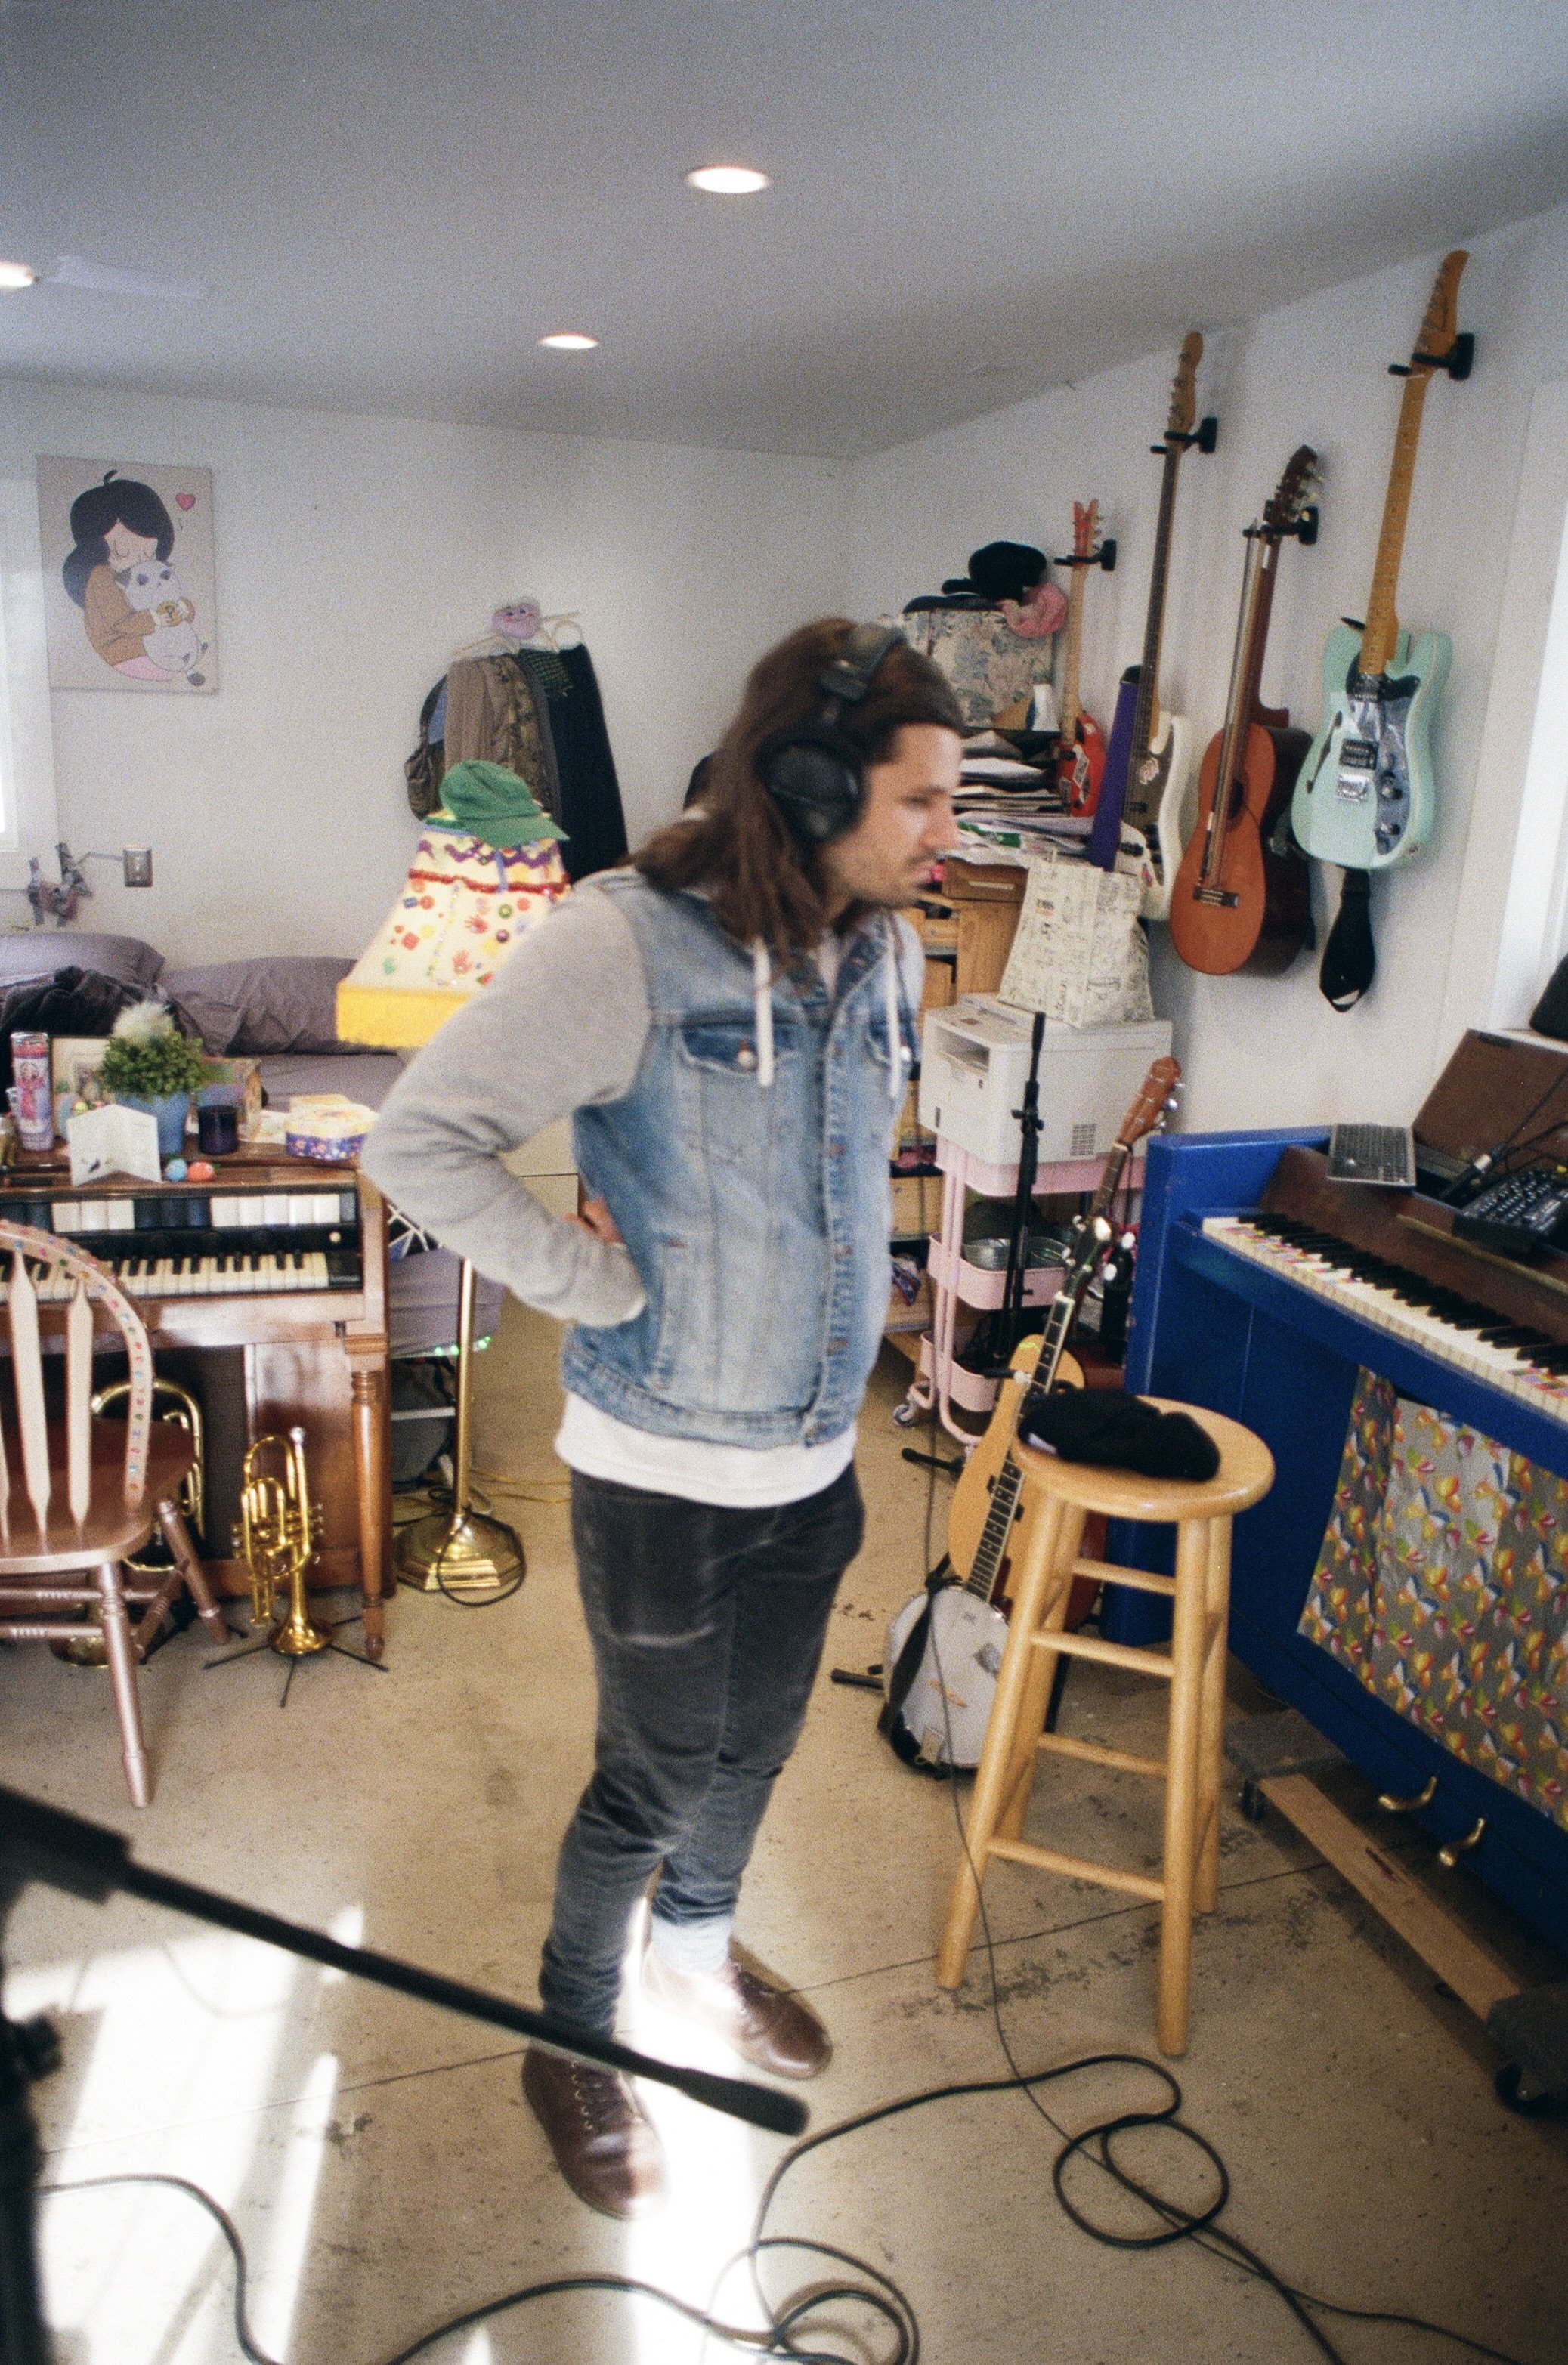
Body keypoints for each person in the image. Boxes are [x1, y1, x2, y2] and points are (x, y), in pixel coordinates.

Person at [361, 618, 963, 2218]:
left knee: (757, 1748)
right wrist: (589, 1281)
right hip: (658, 1466)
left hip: (817, 1457)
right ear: (815, 782)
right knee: (654, 1768)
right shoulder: (621, 939)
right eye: (921, 800)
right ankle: (570, 2033)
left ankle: (694, 1952)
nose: (946, 834)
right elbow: (418, 1142)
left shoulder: (887, 943)